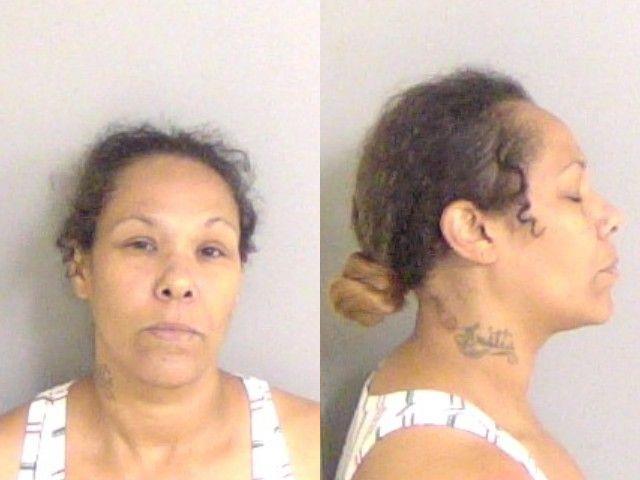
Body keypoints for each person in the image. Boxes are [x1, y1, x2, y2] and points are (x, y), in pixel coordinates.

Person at [330, 69, 622, 480]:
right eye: (573, 194)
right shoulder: (452, 465)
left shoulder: (451, 398)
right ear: (474, 230)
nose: (611, 217)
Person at [0, 125, 319, 480]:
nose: (178, 282)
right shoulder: (9, 460)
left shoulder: (308, 449)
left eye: (210, 250)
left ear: (238, 276)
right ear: (81, 268)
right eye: (141, 244)